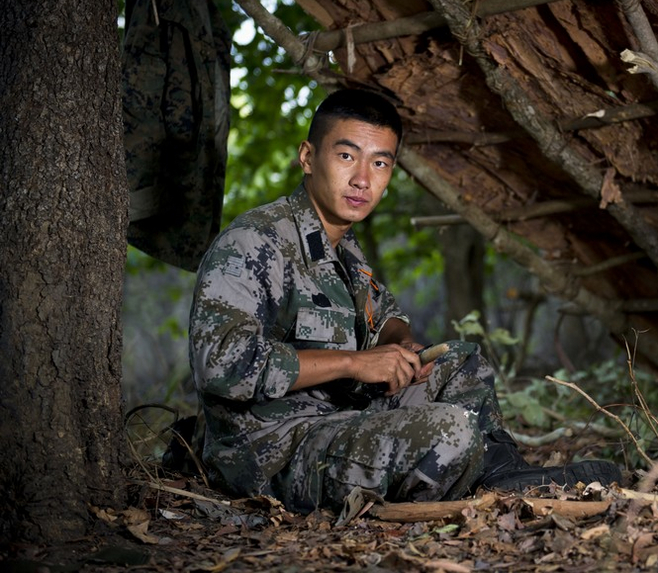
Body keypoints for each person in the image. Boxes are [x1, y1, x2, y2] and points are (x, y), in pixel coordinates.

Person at [187, 88, 621, 513]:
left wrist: (403, 346)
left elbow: (386, 316)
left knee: (459, 359)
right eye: (346, 156)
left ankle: (502, 474)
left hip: (339, 418)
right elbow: (221, 366)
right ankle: (470, 480)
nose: (362, 179)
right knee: (450, 430)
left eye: (380, 163)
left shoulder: (343, 246)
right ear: (307, 156)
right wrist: (355, 363)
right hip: (271, 450)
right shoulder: (254, 242)